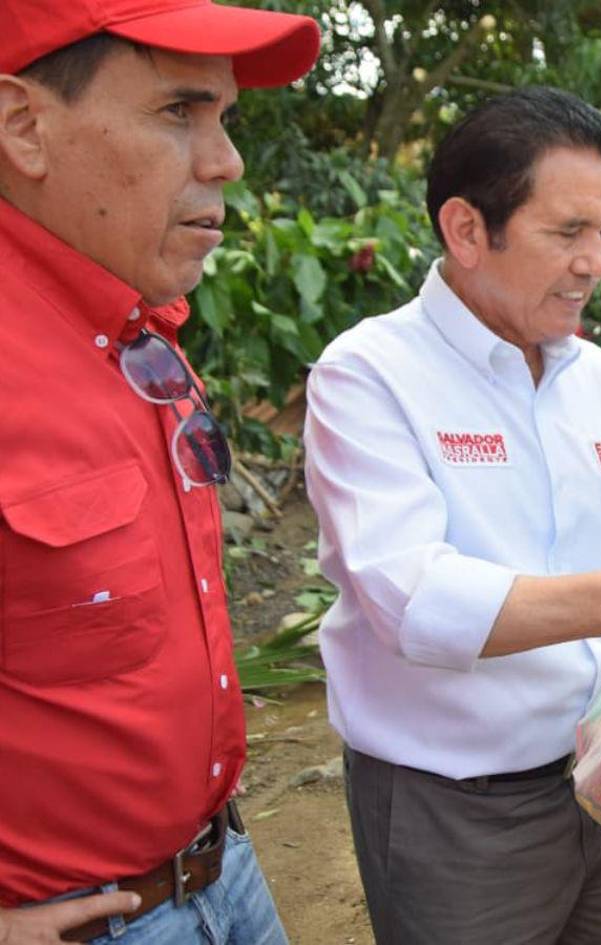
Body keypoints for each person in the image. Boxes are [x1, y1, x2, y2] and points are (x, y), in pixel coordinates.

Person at [302, 86, 601, 945]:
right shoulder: (370, 374)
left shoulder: (600, 381)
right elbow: (413, 600)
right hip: (458, 815)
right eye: (567, 232)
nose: (594, 262)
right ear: (466, 230)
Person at [0, 2, 319, 943]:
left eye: (225, 118)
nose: (226, 161)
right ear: (25, 127)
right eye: (180, 111)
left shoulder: (141, 335)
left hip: (223, 873)